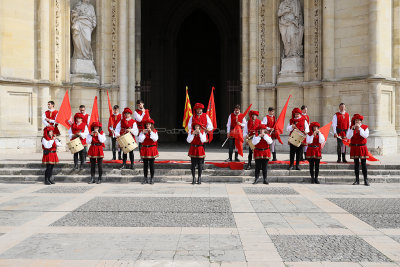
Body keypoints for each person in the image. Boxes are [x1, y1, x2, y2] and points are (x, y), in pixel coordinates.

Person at [347, 114, 370, 186]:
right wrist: (351, 129)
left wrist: (359, 128)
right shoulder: (351, 128)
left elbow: (365, 135)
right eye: (355, 121)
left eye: (358, 121)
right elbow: (348, 136)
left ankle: (366, 179)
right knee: (356, 164)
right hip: (355, 147)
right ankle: (357, 180)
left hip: (362, 147)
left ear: (361, 121)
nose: (357, 122)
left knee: (363, 164)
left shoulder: (365, 127)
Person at [138, 119, 159, 184]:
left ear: (151, 125)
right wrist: (144, 133)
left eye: (149, 124)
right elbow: (140, 140)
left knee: (152, 165)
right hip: (145, 149)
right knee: (145, 165)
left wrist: (151, 132)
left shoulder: (154, 131)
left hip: (151, 149)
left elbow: (155, 139)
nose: (148, 126)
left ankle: (152, 178)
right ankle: (145, 178)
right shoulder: (142, 132)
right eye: (147, 124)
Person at [187, 119, 207, 184]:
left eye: (198, 126)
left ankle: (199, 177)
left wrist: (199, 133)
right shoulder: (191, 131)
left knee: (200, 164)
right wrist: (193, 134)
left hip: (200, 148)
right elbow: (188, 140)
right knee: (193, 164)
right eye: (195, 126)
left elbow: (203, 140)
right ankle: (193, 178)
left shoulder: (202, 132)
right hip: (193, 148)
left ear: (199, 127)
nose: (196, 127)